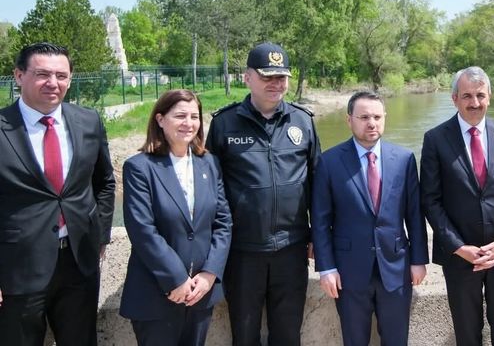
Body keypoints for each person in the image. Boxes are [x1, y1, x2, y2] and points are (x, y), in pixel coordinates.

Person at [0, 42, 116, 346]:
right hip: (17, 266)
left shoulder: (88, 121)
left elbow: (104, 181)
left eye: (61, 76)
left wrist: (101, 234)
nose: (53, 83)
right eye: (42, 74)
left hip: (79, 262)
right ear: (19, 75)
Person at [206, 42, 320, 346]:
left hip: (292, 250)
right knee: (244, 337)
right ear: (247, 78)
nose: (276, 84)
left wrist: (318, 237)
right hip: (243, 252)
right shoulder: (223, 123)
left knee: (287, 335)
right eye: (268, 76)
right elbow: (212, 190)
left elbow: (317, 185)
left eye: (281, 77)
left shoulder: (303, 121)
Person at [420, 66, 494, 346]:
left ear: (489, 97)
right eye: (467, 95)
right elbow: (430, 201)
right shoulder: (435, 139)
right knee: (467, 335)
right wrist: (458, 247)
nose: (475, 103)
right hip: (459, 258)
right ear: (454, 98)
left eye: (480, 95)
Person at [311, 91, 429, 345]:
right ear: (349, 120)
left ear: (385, 117)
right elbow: (320, 221)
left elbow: (414, 215)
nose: (371, 123)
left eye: (377, 116)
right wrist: (326, 268)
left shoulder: (404, 159)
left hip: (396, 269)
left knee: (396, 340)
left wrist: (418, 260)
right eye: (364, 117)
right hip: (348, 271)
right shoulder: (329, 162)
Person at [120, 89, 232, 345]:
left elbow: (223, 222)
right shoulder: (139, 167)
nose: (189, 123)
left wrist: (210, 274)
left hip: (201, 293)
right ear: (160, 119)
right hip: (155, 295)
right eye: (180, 115)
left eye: (195, 116)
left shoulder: (210, 164)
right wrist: (177, 280)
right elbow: (142, 230)